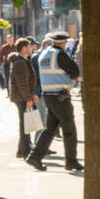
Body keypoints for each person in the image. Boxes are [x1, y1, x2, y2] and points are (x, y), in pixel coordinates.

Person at [24, 33, 82, 172]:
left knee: (50, 129)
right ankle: (71, 161)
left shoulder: (45, 53)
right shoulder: (60, 55)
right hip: (60, 96)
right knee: (69, 130)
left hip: (49, 96)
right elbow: (75, 71)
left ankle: (35, 157)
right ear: (63, 42)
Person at [7, 38, 38, 160]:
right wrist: (28, 98)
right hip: (21, 98)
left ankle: (21, 151)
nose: (31, 49)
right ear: (24, 48)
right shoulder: (20, 62)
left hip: (23, 97)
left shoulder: (22, 61)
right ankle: (26, 152)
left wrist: (32, 95)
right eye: (30, 47)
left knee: (25, 123)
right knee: (25, 125)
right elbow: (22, 83)